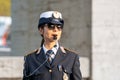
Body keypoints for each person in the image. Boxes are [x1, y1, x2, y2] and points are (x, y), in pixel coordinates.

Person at [23, 11, 82, 80]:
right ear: (41, 30)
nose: (55, 30)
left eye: (59, 27)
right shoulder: (30, 59)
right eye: (51, 26)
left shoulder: (72, 58)